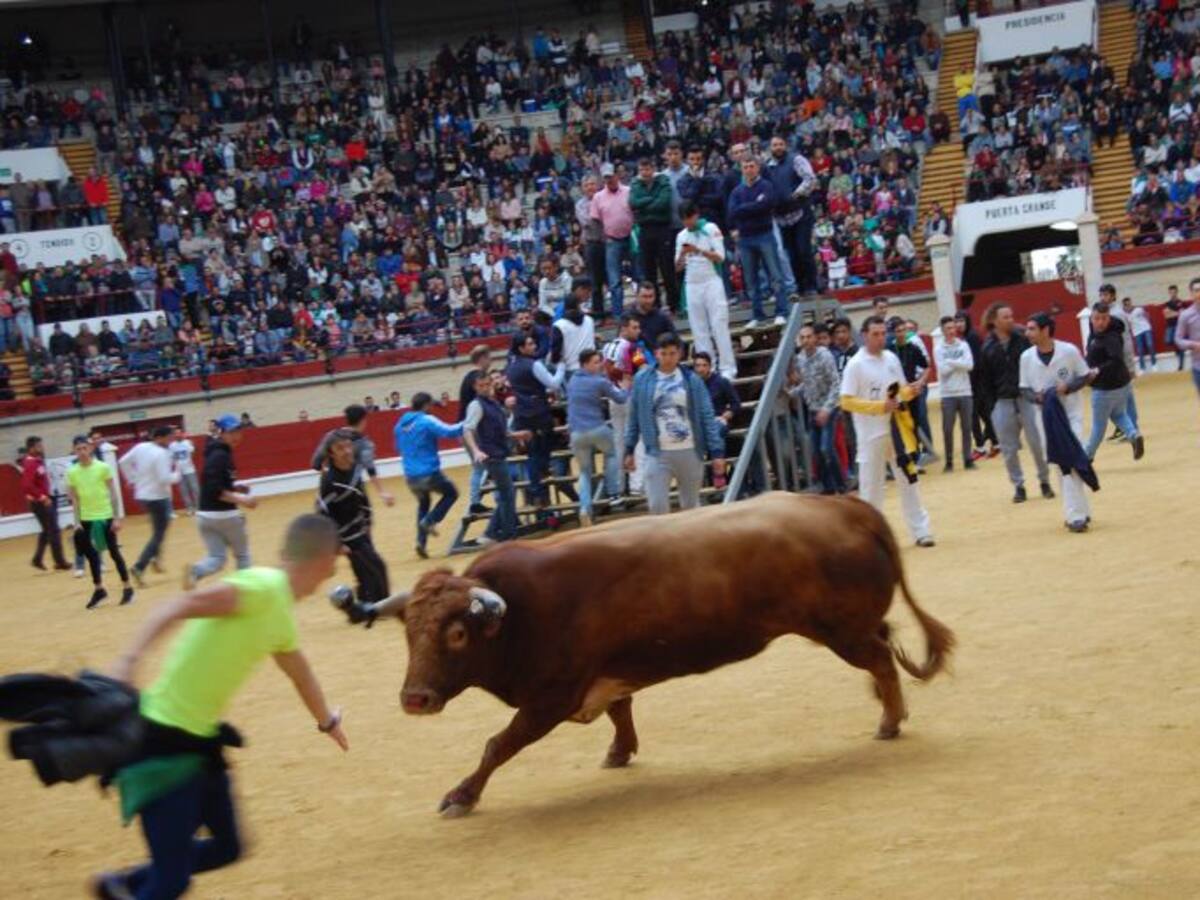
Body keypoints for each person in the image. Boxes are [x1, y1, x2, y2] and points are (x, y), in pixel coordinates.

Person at [91, 514, 348, 900]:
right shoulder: (260, 588)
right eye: (332, 564)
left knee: (228, 847)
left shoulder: (279, 610)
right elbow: (178, 604)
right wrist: (128, 661)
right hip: (161, 742)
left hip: (200, 744)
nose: (330, 575)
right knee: (172, 881)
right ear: (320, 561)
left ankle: (123, 886)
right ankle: (138, 884)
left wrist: (327, 722)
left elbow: (301, 673)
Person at [839, 316, 935, 547]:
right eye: (876, 334)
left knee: (908, 480)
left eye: (883, 334)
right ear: (864, 335)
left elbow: (898, 390)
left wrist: (910, 391)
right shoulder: (856, 364)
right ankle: (869, 536)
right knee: (871, 486)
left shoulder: (891, 358)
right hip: (870, 432)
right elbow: (846, 402)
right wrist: (878, 407)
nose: (881, 338)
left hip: (896, 429)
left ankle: (921, 531)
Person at [624, 332, 726, 515]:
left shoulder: (692, 380)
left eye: (672, 353)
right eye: (664, 354)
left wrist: (717, 451)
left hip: (690, 450)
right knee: (656, 506)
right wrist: (629, 448)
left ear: (679, 354)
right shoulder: (642, 379)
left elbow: (706, 415)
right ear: (656, 353)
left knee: (690, 507)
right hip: (657, 451)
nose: (668, 358)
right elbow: (634, 416)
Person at [1020, 313, 1095, 533]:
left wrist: (1068, 387)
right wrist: (1037, 398)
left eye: (1032, 329)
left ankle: (1075, 516)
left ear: (1045, 330)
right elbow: (1023, 388)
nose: (1027, 333)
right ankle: (1080, 509)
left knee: (1070, 459)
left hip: (1071, 413)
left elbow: (1085, 375)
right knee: (1059, 462)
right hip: (1045, 417)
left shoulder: (1069, 351)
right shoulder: (1026, 357)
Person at [977, 303, 1053, 503]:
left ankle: (1044, 481)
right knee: (1009, 449)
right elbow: (984, 381)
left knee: (1037, 443)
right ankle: (1019, 486)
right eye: (1006, 317)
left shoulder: (1023, 340)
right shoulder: (987, 347)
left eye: (1011, 316)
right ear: (994, 321)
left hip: (1026, 398)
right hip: (1002, 402)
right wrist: (992, 408)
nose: (1011, 319)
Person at [317, 429, 390, 603]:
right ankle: (381, 604)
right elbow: (323, 514)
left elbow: (362, 495)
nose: (347, 451)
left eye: (348, 446)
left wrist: (368, 520)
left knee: (363, 570)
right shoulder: (329, 481)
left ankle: (366, 604)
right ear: (331, 454)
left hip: (361, 528)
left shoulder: (356, 467)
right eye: (340, 448)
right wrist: (337, 544)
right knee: (376, 566)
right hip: (346, 535)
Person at [186, 414, 258, 588]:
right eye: (231, 432)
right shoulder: (221, 455)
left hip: (204, 516)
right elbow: (216, 490)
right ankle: (246, 590)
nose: (236, 436)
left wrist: (236, 487)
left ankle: (195, 571)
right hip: (225, 515)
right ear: (221, 433)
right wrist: (243, 499)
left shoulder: (214, 452)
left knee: (216, 558)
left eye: (238, 431)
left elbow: (216, 483)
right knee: (242, 555)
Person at [462, 371, 532, 545]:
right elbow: (467, 430)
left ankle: (495, 533)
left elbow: (501, 431)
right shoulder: (477, 405)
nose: (485, 388)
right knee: (507, 494)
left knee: (506, 494)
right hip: (491, 454)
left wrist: (516, 435)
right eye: (481, 386)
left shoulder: (490, 403)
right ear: (475, 387)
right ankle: (506, 534)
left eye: (487, 384)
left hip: (497, 452)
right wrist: (476, 451)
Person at [66, 434, 135, 608]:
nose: (82, 452)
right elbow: (75, 499)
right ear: (74, 451)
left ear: (90, 448)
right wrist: (76, 522)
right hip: (86, 519)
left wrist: (117, 517)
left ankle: (127, 587)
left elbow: (113, 493)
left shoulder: (102, 467)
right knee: (92, 557)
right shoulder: (72, 472)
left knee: (114, 553)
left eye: (84, 448)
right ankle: (99, 589)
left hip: (105, 516)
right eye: (78, 449)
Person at [396, 392, 465, 558]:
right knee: (451, 493)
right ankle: (430, 521)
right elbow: (450, 432)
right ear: (426, 405)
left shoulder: (399, 425)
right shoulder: (426, 420)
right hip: (428, 472)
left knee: (424, 503)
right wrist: (469, 422)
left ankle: (421, 542)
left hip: (410, 476)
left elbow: (399, 448)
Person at [566, 349, 630, 526]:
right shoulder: (599, 381)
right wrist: (625, 386)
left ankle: (584, 508)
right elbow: (621, 398)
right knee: (611, 454)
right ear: (585, 364)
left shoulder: (572, 380)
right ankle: (614, 493)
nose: (599, 365)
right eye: (595, 362)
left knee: (585, 472)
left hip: (576, 433)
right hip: (596, 427)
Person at [675, 200, 737, 380]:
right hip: (692, 284)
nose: (687, 222)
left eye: (689, 218)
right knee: (698, 329)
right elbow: (678, 268)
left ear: (696, 215)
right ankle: (706, 368)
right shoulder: (681, 236)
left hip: (711, 281)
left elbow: (720, 257)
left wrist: (698, 250)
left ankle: (728, 368)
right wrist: (682, 254)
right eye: (684, 219)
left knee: (719, 325)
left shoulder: (710, 229)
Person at [505, 333, 565, 510]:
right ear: (522, 348)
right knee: (542, 451)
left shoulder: (511, 366)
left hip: (522, 414)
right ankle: (539, 487)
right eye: (530, 344)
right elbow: (553, 384)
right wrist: (561, 366)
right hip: (539, 412)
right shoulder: (534, 364)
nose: (533, 347)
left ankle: (537, 492)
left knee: (533, 454)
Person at [728, 156, 790, 327]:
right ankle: (757, 315)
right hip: (745, 238)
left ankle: (782, 311)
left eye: (751, 166)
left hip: (765, 235)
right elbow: (732, 212)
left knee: (775, 276)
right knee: (751, 279)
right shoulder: (736, 191)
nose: (749, 169)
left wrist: (744, 209)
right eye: (745, 166)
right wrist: (753, 206)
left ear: (758, 168)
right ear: (742, 169)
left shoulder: (766, 186)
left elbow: (766, 206)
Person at [119, 426, 180, 587]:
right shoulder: (161, 454)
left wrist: (132, 479)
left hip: (143, 496)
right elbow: (164, 479)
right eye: (169, 437)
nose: (171, 440)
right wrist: (177, 475)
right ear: (160, 438)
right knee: (159, 533)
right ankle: (140, 566)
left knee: (158, 529)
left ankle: (156, 558)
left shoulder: (141, 447)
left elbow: (123, 462)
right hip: (158, 497)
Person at [1084, 303, 1145, 461]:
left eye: (1104, 318)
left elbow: (1115, 360)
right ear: (1092, 318)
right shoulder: (1098, 333)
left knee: (1098, 426)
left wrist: (1096, 370)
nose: (1100, 322)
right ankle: (1133, 435)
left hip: (1105, 388)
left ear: (1109, 318)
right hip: (1121, 384)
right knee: (1118, 414)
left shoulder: (1110, 337)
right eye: (1097, 318)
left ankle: (1087, 455)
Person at [310, 404, 395, 508]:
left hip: (329, 492)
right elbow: (371, 470)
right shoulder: (365, 444)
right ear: (363, 420)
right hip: (352, 493)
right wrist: (382, 492)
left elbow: (315, 464)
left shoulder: (330, 436)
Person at [795, 323, 845, 494]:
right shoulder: (800, 358)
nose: (806, 340)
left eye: (809, 336)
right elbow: (805, 383)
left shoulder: (825, 356)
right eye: (802, 337)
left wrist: (826, 409)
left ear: (815, 338)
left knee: (826, 448)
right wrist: (791, 392)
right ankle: (828, 487)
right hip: (813, 409)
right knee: (816, 451)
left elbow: (836, 384)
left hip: (828, 409)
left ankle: (841, 484)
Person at [602, 313, 648, 495]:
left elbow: (605, 369)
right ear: (624, 328)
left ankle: (618, 487)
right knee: (637, 439)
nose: (638, 331)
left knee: (618, 440)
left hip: (613, 396)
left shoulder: (607, 347)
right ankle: (637, 485)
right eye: (634, 327)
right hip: (629, 395)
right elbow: (643, 369)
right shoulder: (631, 348)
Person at [629, 156, 678, 312]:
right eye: (642, 169)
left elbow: (664, 202)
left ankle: (674, 305)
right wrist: (651, 201)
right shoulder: (635, 184)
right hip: (645, 230)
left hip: (663, 229)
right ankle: (654, 307)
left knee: (667, 268)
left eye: (648, 169)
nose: (645, 172)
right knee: (648, 271)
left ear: (653, 169)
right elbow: (633, 203)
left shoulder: (662, 181)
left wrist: (644, 206)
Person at [590, 162, 634, 319]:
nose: (609, 180)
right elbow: (595, 221)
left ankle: (642, 309)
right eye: (606, 178)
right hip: (612, 240)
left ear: (617, 175)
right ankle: (617, 315)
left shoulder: (629, 191)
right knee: (614, 280)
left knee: (639, 274)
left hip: (631, 238)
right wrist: (604, 238)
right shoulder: (598, 197)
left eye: (611, 176)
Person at [934, 316, 976, 472]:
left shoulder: (963, 345)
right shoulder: (939, 348)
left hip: (965, 391)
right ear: (943, 331)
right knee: (947, 429)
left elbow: (970, 365)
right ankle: (949, 460)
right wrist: (959, 363)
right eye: (948, 329)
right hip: (948, 393)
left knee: (967, 427)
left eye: (953, 328)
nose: (951, 331)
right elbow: (943, 371)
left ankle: (967, 459)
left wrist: (951, 362)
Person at [21, 435, 69, 571]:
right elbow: (26, 485)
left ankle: (37, 559)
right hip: (41, 502)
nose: (42, 448)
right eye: (39, 446)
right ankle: (59, 561)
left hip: (40, 501)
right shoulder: (31, 463)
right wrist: (42, 497)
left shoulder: (35, 462)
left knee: (47, 530)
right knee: (54, 530)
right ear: (31, 448)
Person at [457, 345, 493, 515]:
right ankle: (475, 502)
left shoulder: (469, 377)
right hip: (471, 430)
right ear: (482, 358)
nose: (490, 361)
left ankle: (476, 501)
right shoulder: (476, 378)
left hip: (466, 428)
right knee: (480, 467)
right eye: (489, 357)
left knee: (479, 467)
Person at [1176, 277, 1200, 397]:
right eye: (1196, 290)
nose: (1199, 293)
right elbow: (1178, 339)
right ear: (1191, 293)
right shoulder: (1185, 315)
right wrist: (1193, 344)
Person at [169, 426, 199, 515]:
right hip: (179, 472)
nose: (177, 435)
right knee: (184, 491)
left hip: (190, 470)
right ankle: (189, 508)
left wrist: (189, 462)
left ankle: (198, 508)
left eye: (179, 433)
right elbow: (171, 457)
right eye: (175, 433)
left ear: (182, 434)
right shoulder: (171, 445)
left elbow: (193, 452)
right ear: (174, 435)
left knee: (195, 489)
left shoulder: (187, 443)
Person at [1162, 284, 1186, 372]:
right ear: (1169, 293)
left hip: (1179, 326)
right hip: (1170, 326)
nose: (1173, 294)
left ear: (1177, 292)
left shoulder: (1181, 302)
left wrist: (1172, 312)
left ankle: (1181, 365)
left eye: (1174, 292)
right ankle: (1177, 351)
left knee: (1179, 345)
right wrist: (1177, 312)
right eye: (1171, 292)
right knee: (1168, 341)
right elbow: (1166, 315)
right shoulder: (1167, 303)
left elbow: (1182, 314)